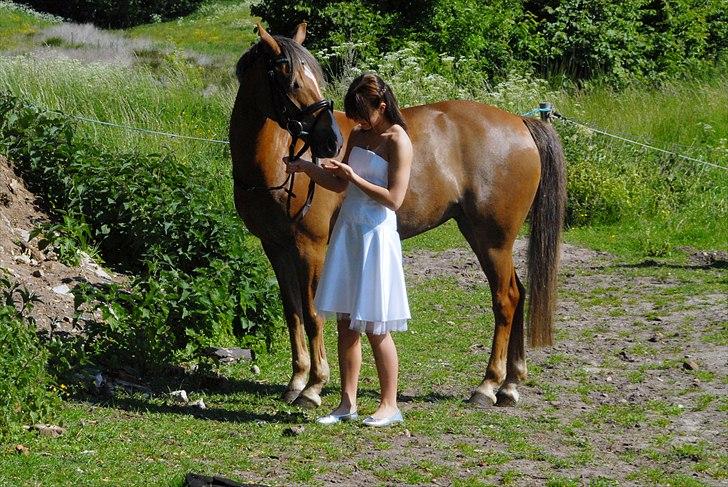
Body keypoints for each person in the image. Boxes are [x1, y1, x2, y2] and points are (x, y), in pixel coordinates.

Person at [284, 73, 413, 427]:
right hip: (350, 232)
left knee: (375, 325)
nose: (356, 122)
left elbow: (394, 199)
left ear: (382, 107)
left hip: (376, 234)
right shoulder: (358, 134)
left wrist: (354, 177)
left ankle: (389, 404)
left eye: (362, 113)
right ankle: (347, 402)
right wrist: (307, 169)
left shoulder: (398, 140)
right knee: (346, 324)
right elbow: (338, 182)